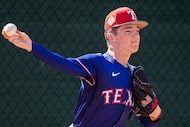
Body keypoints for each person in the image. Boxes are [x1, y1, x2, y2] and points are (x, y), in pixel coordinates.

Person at [2, 6, 161, 127]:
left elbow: (147, 121)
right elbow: (65, 64)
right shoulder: (98, 64)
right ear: (112, 37)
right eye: (128, 30)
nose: (135, 35)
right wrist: (32, 47)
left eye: (136, 30)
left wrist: (154, 114)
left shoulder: (135, 76)